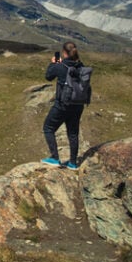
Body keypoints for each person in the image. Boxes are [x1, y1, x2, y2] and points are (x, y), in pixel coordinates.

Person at [42, 41, 86, 170]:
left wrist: (53, 63)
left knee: (48, 127)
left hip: (62, 104)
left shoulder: (61, 66)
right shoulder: (81, 66)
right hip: (78, 104)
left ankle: (55, 158)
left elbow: (48, 76)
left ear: (64, 53)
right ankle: (73, 163)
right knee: (73, 133)